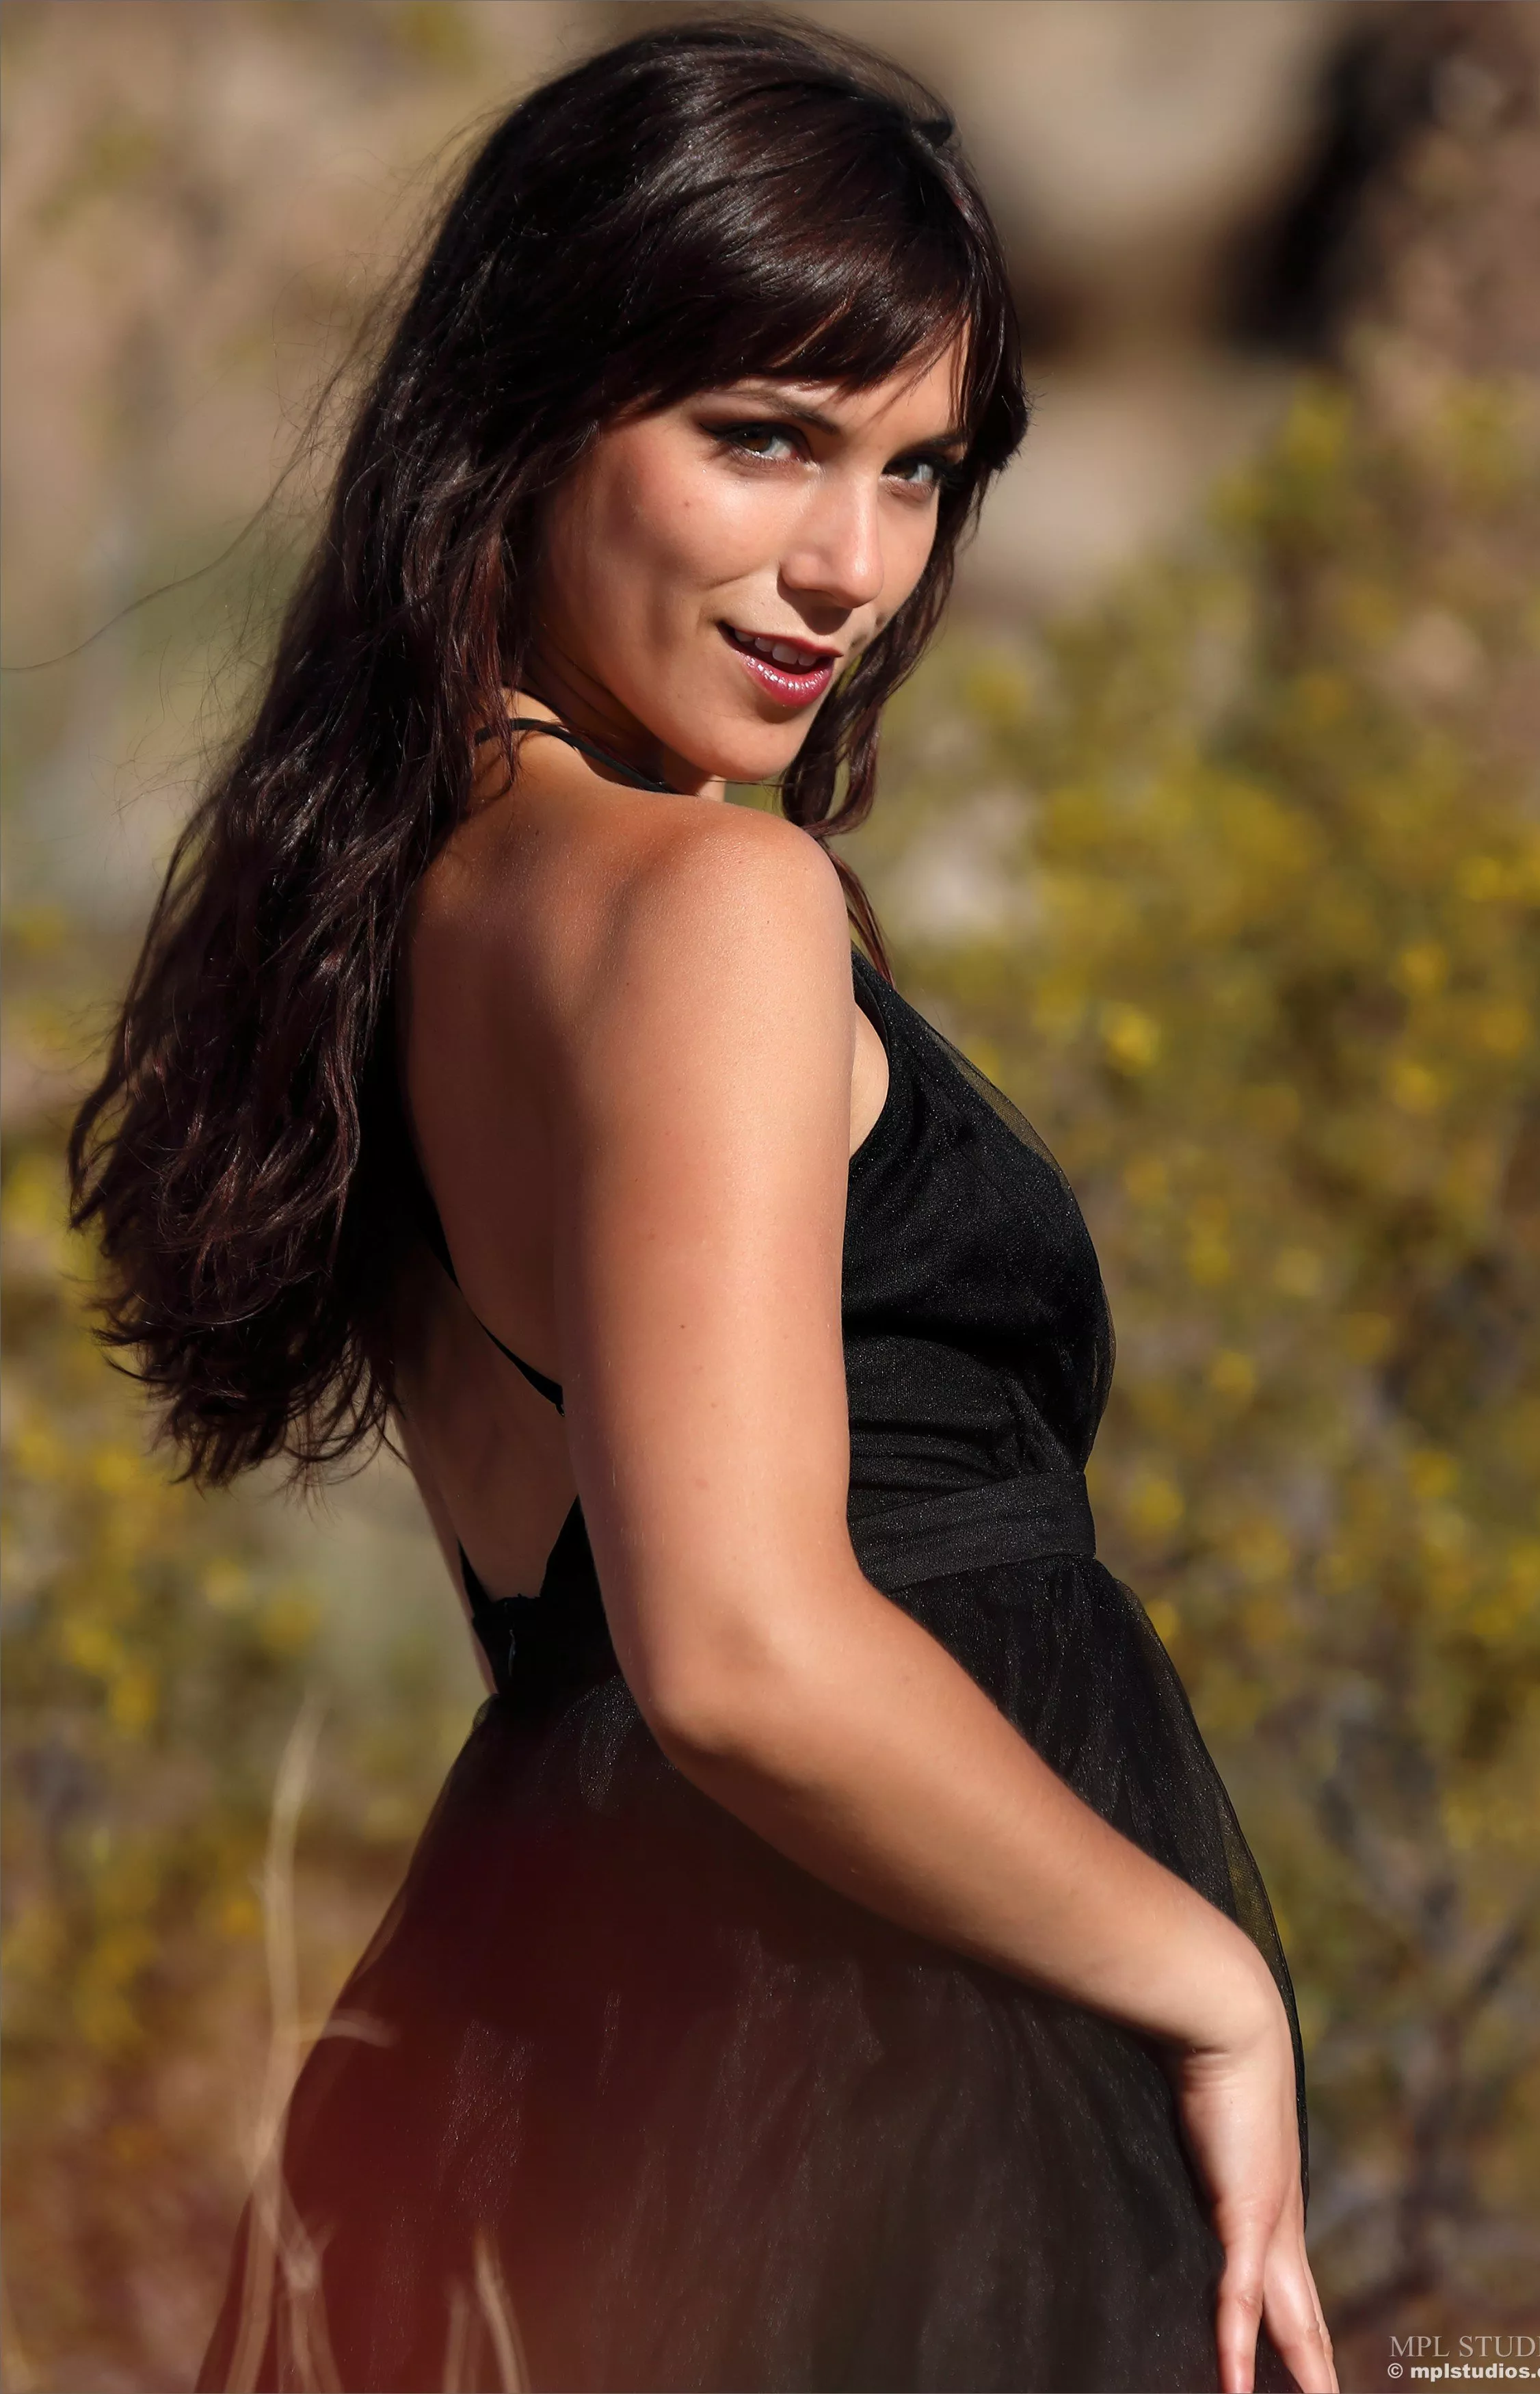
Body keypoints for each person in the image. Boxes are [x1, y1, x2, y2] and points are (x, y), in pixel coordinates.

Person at [68, 19, 1338, 2393]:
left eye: (915, 469)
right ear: (528, 413)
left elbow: (550, 1634)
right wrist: (1206, 1976)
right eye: (761, 436)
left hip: (565, 2038)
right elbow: (734, 1648)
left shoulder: (373, 931)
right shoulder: (712, 913)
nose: (847, 566)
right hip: (872, 2070)